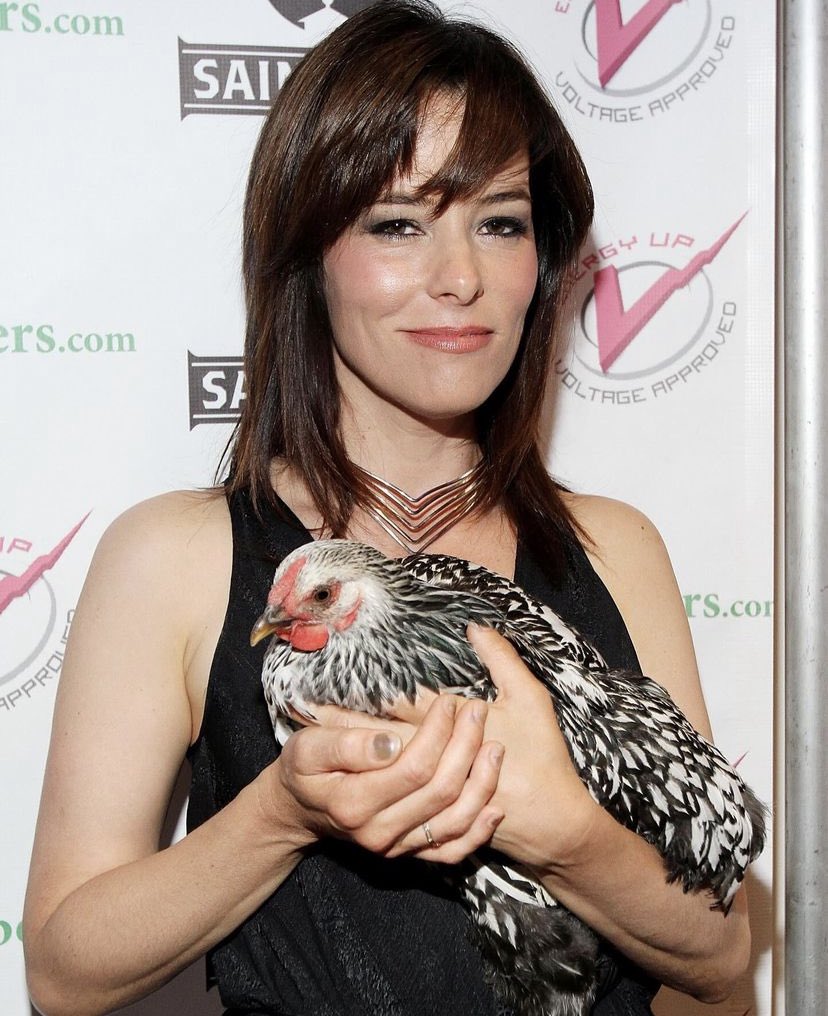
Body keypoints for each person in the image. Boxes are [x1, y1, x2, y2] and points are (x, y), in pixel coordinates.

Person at [23, 2, 752, 1015]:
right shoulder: (179, 556)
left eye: (501, 221)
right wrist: (279, 811)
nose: (462, 278)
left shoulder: (612, 548)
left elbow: (723, 957)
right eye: (398, 223)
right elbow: (62, 968)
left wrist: (561, 828)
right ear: (307, 254)